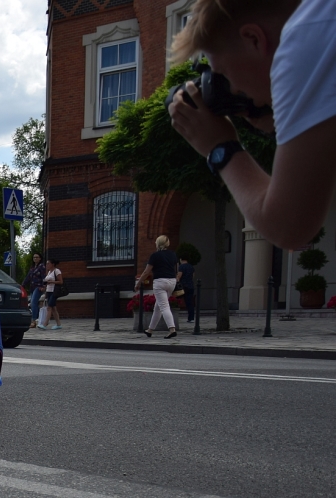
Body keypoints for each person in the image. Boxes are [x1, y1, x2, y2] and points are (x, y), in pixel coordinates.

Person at [168, 0, 336, 250]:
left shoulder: (302, 40)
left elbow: (288, 226)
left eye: (222, 73)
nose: (234, 90)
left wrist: (220, 147)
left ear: (253, 38)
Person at [137, 235, 180, 339]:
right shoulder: (173, 254)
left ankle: (172, 329)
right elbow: (177, 269)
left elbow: (147, 271)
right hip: (171, 282)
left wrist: (139, 282)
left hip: (160, 282)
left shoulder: (155, 256)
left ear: (158, 243)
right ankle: (150, 330)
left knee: (164, 306)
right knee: (158, 307)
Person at [23, 252, 45, 329]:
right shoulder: (32, 267)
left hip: (38, 287)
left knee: (33, 303)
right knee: (33, 304)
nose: (35, 259)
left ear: (40, 258)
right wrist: (23, 285)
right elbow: (28, 277)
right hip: (32, 287)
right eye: (34, 257)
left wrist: (43, 285)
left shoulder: (41, 266)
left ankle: (34, 320)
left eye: (37, 257)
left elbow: (43, 276)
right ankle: (42, 318)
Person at [38, 259, 63, 330]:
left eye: (48, 263)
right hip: (49, 291)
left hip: (54, 291)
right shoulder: (49, 272)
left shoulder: (57, 271)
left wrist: (52, 282)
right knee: (54, 308)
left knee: (49, 307)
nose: (47, 265)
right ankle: (58, 324)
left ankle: (44, 324)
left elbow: (60, 282)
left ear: (53, 264)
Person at [177, 252, 197, 323]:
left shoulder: (181, 266)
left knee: (175, 299)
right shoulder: (191, 267)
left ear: (181, 259)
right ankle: (191, 318)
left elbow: (179, 276)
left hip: (183, 286)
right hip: (190, 286)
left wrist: (176, 282)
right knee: (189, 302)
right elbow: (193, 276)